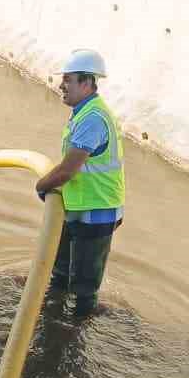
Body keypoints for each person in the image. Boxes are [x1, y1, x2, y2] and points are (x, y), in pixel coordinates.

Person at [34, 48, 124, 315]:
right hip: (78, 204)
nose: (61, 85)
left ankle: (75, 333)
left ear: (86, 82)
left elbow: (68, 169)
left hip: (97, 210)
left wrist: (42, 186)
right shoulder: (84, 112)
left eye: (68, 80)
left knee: (83, 289)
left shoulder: (93, 118)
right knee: (60, 273)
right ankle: (52, 314)